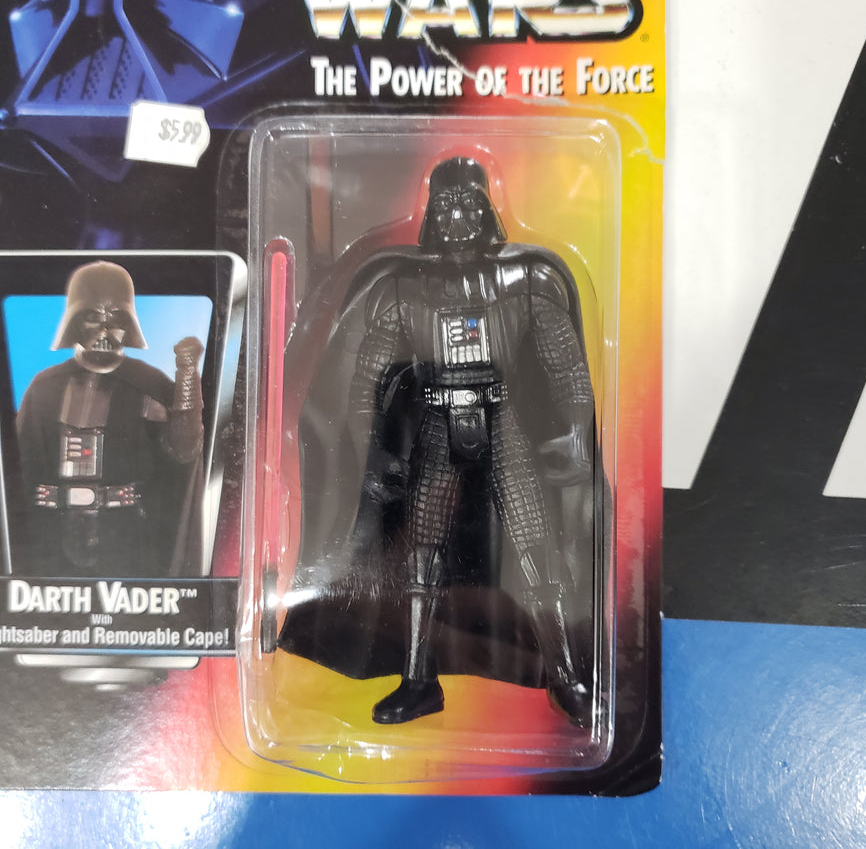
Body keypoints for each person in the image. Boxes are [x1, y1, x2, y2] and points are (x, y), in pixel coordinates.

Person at [280, 157, 599, 726]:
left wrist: (576, 430)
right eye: (445, 208)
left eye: (468, 206)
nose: (456, 219)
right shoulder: (402, 288)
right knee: (420, 558)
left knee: (535, 547)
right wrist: (372, 450)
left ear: (487, 211)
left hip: (502, 424)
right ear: (430, 215)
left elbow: (566, 367)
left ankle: (567, 674)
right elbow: (366, 379)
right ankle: (419, 680)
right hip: (435, 427)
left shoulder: (526, 282)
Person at [15, 260, 205, 577]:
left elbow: (183, 450)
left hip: (127, 538)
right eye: (92, 317)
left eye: (115, 318)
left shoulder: (148, 385)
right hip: (52, 540)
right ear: (74, 321)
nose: (104, 331)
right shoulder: (45, 387)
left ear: (129, 324)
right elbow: (19, 468)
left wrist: (187, 380)